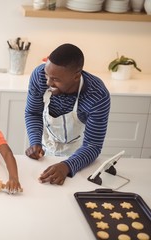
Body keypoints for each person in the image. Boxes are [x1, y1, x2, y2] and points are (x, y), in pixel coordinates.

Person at [24, 43, 111, 185]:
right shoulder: (39, 75)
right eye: (47, 75)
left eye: (56, 79)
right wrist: (35, 142)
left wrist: (67, 166)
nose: (48, 82)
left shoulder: (97, 96)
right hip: (45, 148)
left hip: (78, 153)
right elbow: (33, 112)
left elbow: (93, 145)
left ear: (76, 77)